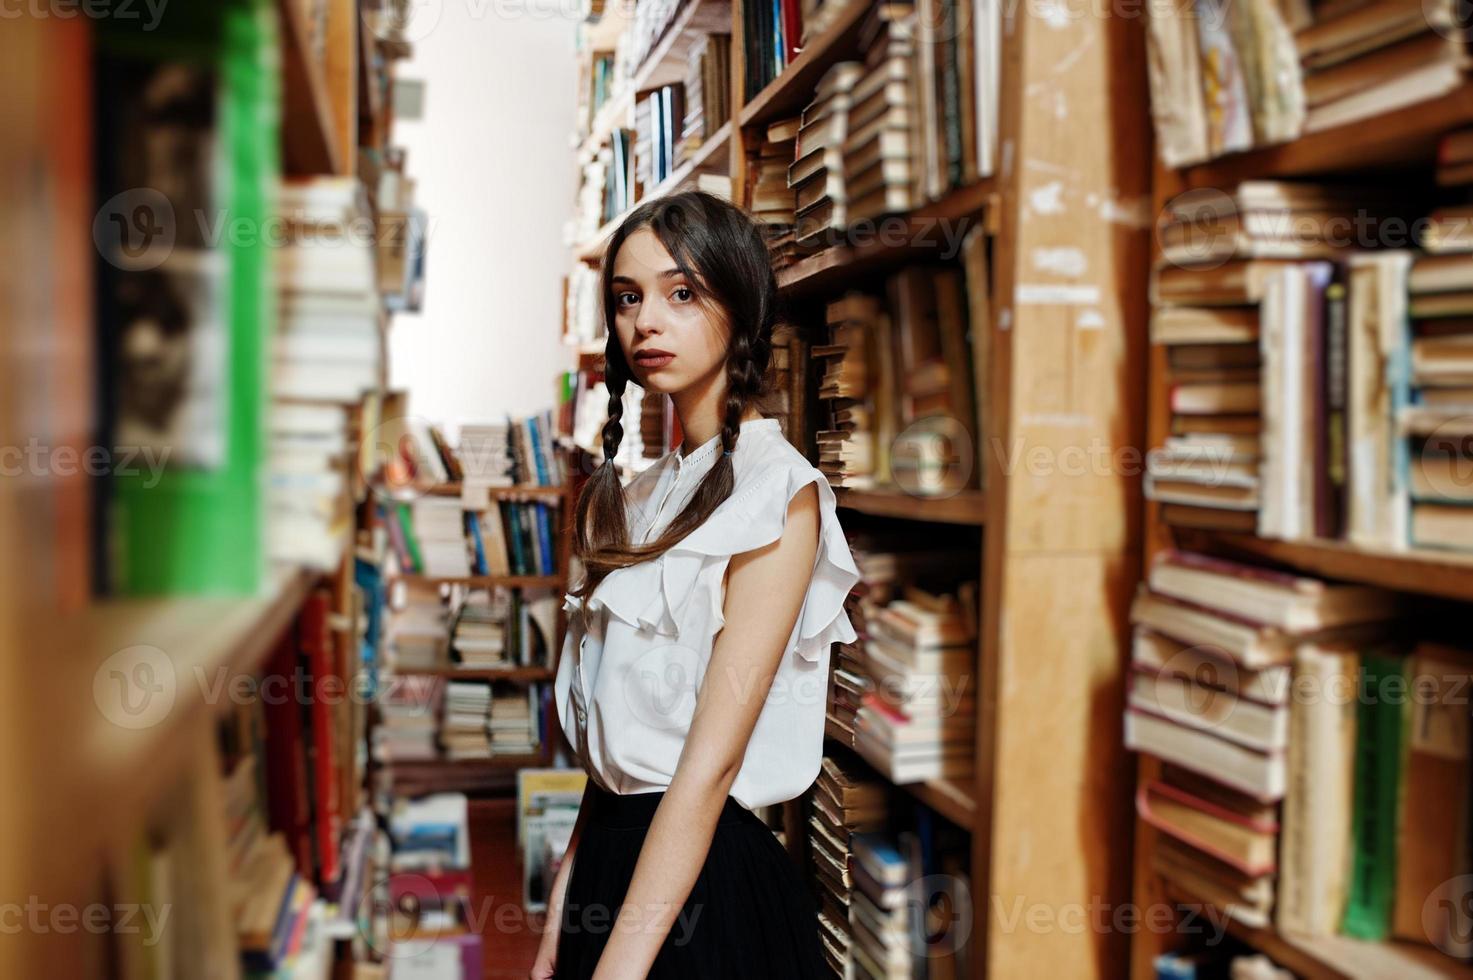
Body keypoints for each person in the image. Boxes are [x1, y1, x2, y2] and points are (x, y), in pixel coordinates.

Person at [530, 191, 862, 980]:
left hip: (700, 889)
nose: (646, 321)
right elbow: (609, 757)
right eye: (627, 297)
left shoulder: (778, 492)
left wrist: (619, 968)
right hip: (609, 875)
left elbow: (707, 766)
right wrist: (556, 922)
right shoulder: (641, 495)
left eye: (682, 294)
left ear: (740, 307)